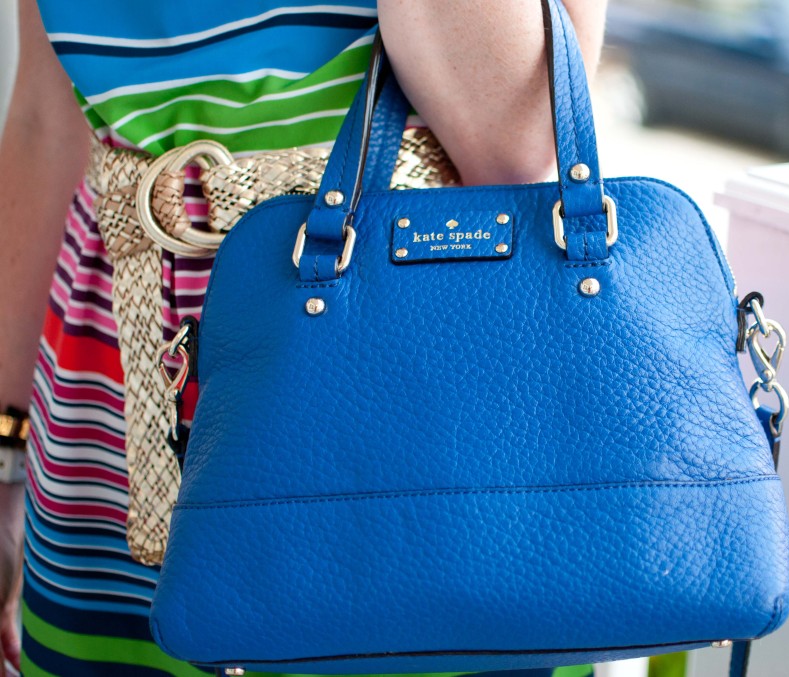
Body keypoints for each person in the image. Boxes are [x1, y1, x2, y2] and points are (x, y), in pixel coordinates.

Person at [0, 0, 608, 674]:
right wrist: (6, 451)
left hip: (406, 416)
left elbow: (515, 143)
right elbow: (43, 120)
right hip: (109, 415)